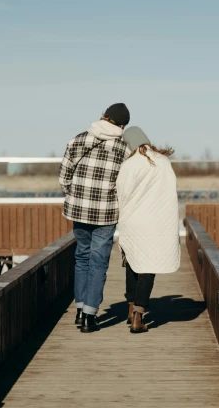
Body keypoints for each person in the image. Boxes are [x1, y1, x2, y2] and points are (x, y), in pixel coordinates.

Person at [59, 103, 130, 333]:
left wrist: (75, 196)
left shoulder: (77, 140)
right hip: (106, 212)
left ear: (103, 117)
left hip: (78, 209)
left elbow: (63, 178)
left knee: (82, 257)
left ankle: (79, 311)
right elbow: (126, 184)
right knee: (98, 262)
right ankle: (90, 316)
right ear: (121, 125)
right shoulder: (124, 149)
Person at [116, 127, 180, 333]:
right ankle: (138, 316)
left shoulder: (129, 164)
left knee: (132, 263)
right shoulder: (163, 162)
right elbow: (170, 193)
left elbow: (122, 194)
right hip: (156, 222)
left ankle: (129, 308)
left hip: (133, 222)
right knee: (148, 266)